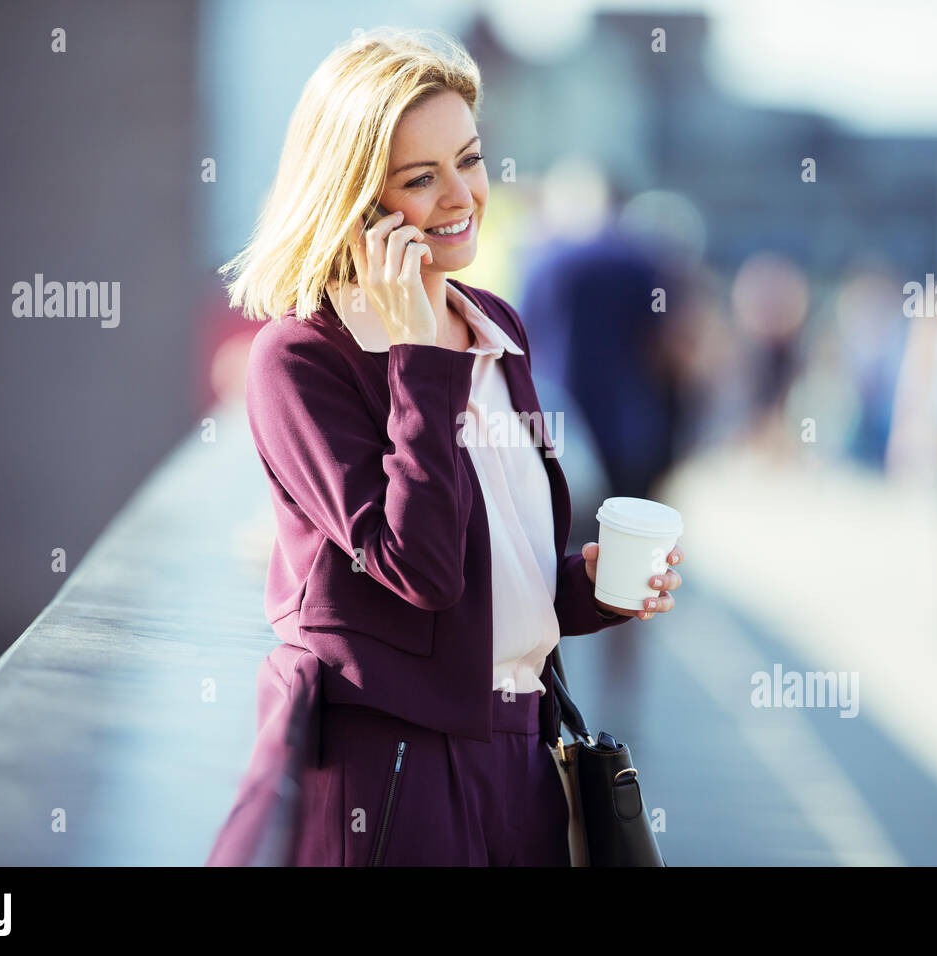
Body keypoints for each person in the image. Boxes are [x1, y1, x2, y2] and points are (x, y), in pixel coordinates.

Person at [204, 27, 686, 867]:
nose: (461, 194)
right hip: (395, 771)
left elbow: (487, 583)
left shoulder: (496, 324)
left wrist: (597, 588)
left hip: (524, 756)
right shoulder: (301, 357)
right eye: (420, 179)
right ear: (356, 202)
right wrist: (418, 360)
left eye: (469, 159)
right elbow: (417, 571)